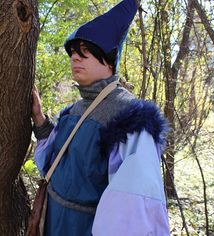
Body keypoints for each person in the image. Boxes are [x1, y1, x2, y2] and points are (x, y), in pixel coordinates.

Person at [32, 0, 170, 235]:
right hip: (53, 224)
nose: (75, 57)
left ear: (108, 57)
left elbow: (131, 211)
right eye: (73, 52)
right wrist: (39, 118)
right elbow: (54, 164)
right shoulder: (73, 110)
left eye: (85, 50)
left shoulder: (131, 118)